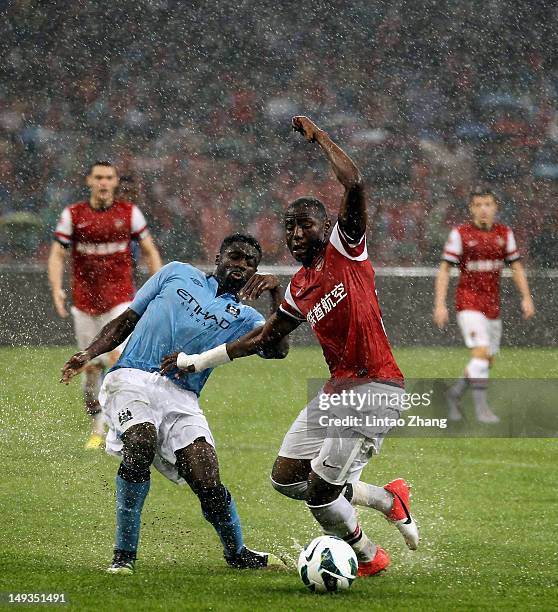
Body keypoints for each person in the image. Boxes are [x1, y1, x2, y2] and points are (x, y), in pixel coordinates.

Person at [168, 117, 419, 578]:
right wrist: (194, 361)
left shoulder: (346, 250)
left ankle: (368, 558)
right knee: (287, 479)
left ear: (327, 225)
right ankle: (387, 498)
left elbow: (355, 181)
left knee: (323, 493)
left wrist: (320, 138)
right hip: (336, 392)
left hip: (377, 387)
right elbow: (266, 339)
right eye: (289, 227)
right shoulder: (299, 287)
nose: (296, 232)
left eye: (305, 223)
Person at [61, 233, 288, 574]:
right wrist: (90, 353)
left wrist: (276, 294)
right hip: (131, 377)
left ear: (256, 271)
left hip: (182, 395)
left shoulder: (245, 318)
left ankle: (236, 552)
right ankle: (123, 555)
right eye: (235, 256)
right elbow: (127, 320)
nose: (240, 265)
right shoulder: (176, 272)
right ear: (218, 257)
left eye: (249, 262)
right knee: (140, 439)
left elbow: (278, 349)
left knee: (206, 476)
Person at [48, 161, 162, 449]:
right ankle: (97, 425)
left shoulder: (129, 214)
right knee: (89, 367)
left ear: (115, 182)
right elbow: (57, 255)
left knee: (118, 360)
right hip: (85, 305)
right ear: (89, 180)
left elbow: (150, 252)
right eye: (98, 177)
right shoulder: (73, 215)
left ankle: (124, 424)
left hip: (121, 300)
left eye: (108, 177)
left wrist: (159, 288)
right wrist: (56, 289)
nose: (103, 182)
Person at [433, 187, 535, 422]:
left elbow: (516, 266)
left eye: (487, 204)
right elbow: (445, 269)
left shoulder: (504, 234)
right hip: (468, 302)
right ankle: (482, 411)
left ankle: (454, 394)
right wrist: (440, 304)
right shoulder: (460, 234)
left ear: (496, 207)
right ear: (471, 209)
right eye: (478, 205)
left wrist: (526, 296)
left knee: (487, 359)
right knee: (480, 353)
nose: (483, 210)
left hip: (492, 305)